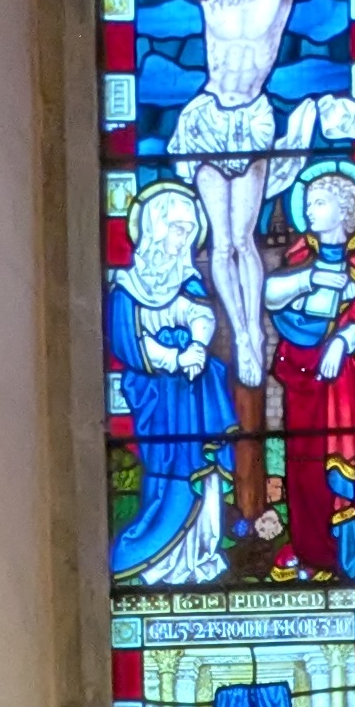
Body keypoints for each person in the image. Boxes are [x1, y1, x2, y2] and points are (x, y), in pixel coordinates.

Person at [133, 0, 355, 535]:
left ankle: (250, 337)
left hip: (250, 118)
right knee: (222, 242)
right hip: (208, 116)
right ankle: (239, 326)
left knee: (243, 241)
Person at [106, 181, 232, 588]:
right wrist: (173, 358)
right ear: (156, 229)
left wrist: (196, 344)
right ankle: (159, 561)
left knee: (202, 469)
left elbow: (200, 315)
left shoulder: (186, 279)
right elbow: (129, 342)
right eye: (178, 229)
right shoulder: (126, 289)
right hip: (156, 397)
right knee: (164, 470)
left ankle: (200, 554)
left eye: (190, 231)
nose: (184, 240)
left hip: (191, 395)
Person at [266, 162, 355, 577]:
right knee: (302, 464)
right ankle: (306, 547)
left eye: (320, 202)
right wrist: (308, 281)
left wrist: (343, 339)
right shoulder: (301, 253)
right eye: (309, 202)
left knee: (337, 461)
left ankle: (346, 554)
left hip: (341, 383)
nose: (310, 210)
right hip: (301, 376)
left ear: (345, 208)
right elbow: (273, 295)